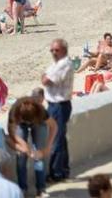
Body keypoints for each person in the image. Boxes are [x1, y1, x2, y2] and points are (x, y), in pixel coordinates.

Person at [8, 97, 57, 197]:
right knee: (21, 156)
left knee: (38, 156)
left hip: (39, 123)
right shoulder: (14, 111)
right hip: (20, 124)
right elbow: (11, 132)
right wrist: (23, 145)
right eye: (26, 122)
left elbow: (54, 126)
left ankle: (41, 188)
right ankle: (22, 189)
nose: (28, 124)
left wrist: (47, 147)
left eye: (30, 122)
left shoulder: (41, 111)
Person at [41, 38, 74, 183]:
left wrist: (44, 77)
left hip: (59, 105)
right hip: (55, 104)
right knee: (60, 138)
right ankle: (63, 169)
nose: (53, 53)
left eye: (56, 50)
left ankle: (56, 172)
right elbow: (45, 77)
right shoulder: (57, 64)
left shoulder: (64, 64)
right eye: (52, 50)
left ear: (64, 50)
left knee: (56, 139)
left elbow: (46, 80)